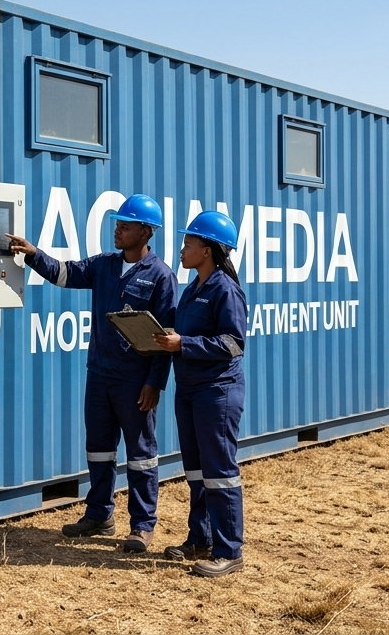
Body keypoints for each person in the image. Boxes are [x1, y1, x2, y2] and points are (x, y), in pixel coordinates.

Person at [5, 194, 176, 553]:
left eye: (125, 225)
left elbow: (165, 337)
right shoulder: (105, 265)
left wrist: (155, 383)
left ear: (145, 232)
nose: (117, 229)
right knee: (99, 449)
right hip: (100, 373)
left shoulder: (161, 277)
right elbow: (65, 274)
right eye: (117, 223)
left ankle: (142, 526)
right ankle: (99, 514)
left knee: (141, 454)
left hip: (135, 380)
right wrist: (34, 255)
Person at [151, 210, 248, 578]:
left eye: (188, 243)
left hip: (216, 392)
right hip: (190, 389)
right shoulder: (193, 287)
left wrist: (184, 343)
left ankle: (229, 550)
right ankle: (201, 537)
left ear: (206, 250)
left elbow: (233, 342)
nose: (181, 249)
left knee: (220, 473)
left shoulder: (225, 289)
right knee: (196, 471)